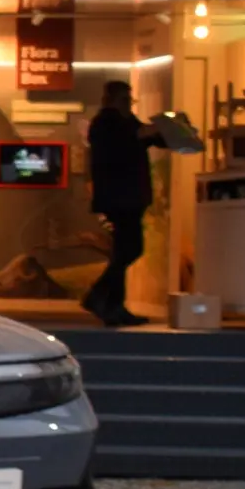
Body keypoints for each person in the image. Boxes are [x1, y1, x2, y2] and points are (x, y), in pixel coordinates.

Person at [81, 79, 165, 326]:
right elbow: (121, 146)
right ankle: (102, 298)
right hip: (120, 197)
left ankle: (110, 303)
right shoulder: (106, 123)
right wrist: (144, 133)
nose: (128, 103)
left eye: (130, 99)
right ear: (113, 99)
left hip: (128, 196)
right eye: (124, 99)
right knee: (130, 248)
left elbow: (150, 138)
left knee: (124, 250)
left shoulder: (126, 122)